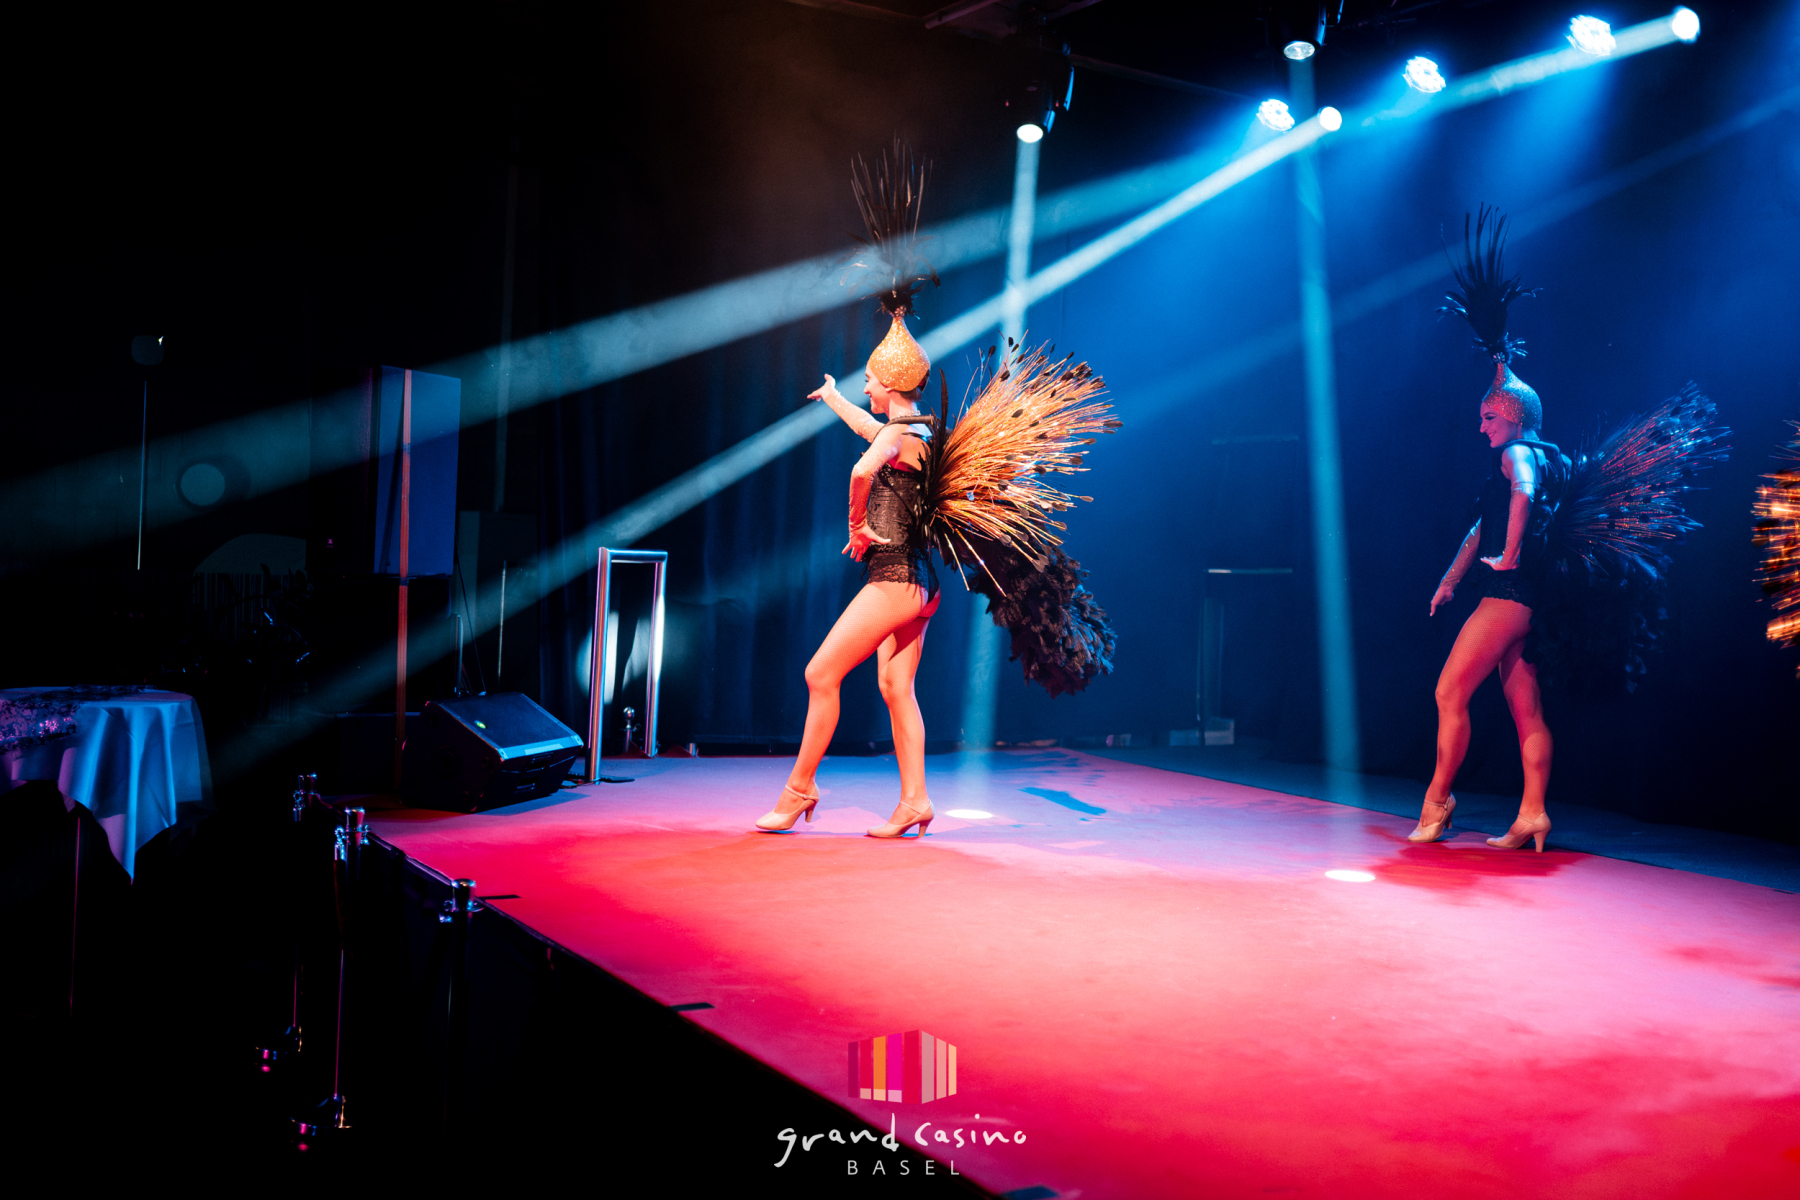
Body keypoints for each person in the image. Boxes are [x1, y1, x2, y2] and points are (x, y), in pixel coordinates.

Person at [1413, 209, 1568, 852]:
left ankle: (1437, 801)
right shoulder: (1535, 453)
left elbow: (1521, 496)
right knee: (1526, 709)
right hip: (1529, 598)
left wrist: (1507, 555)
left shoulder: (1519, 454)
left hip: (1508, 594)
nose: (1481, 427)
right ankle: (1533, 813)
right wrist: (1452, 580)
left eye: (1488, 418)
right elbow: (1481, 527)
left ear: (1512, 420)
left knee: (1450, 690)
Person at [753, 344, 943, 838]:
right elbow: (867, 428)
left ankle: (799, 789)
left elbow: (862, 470)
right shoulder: (918, 430)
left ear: (890, 382)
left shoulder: (900, 434)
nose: (866, 387)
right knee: (897, 688)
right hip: (921, 581)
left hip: (896, 578)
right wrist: (833, 397)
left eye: (869, 380)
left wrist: (857, 525)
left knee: (820, 673)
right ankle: (916, 801)